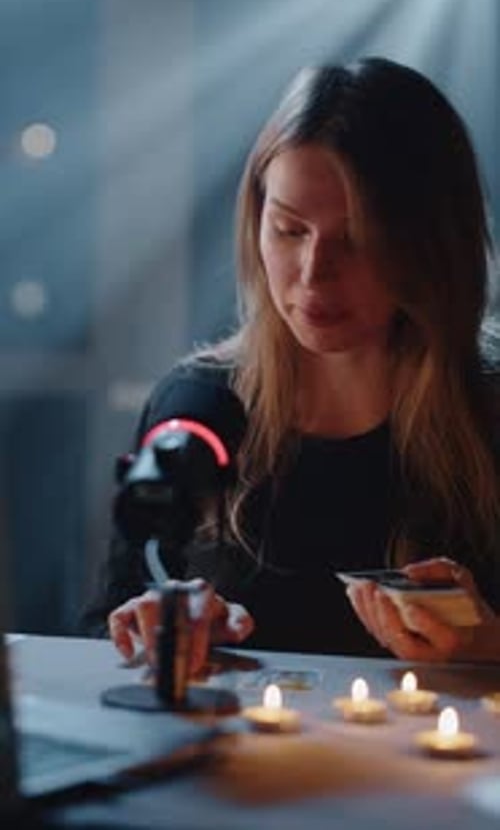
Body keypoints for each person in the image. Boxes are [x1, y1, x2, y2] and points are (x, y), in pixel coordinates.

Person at [83, 56, 500, 671]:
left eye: (355, 239)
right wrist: (151, 638)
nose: (313, 274)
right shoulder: (196, 407)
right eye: (288, 229)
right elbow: (97, 632)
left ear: (430, 244)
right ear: (255, 221)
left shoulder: (488, 413)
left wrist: (490, 647)